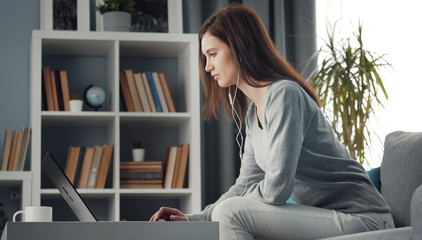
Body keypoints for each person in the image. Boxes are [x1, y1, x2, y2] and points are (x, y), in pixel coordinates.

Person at [150, 3, 394, 239]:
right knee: (227, 211)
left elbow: (276, 188)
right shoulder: (253, 112)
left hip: (365, 218)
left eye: (213, 54)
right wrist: (197, 218)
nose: (207, 66)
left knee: (230, 213)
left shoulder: (284, 94)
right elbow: (246, 183)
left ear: (240, 48)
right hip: (327, 216)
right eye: (205, 57)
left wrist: (221, 211)